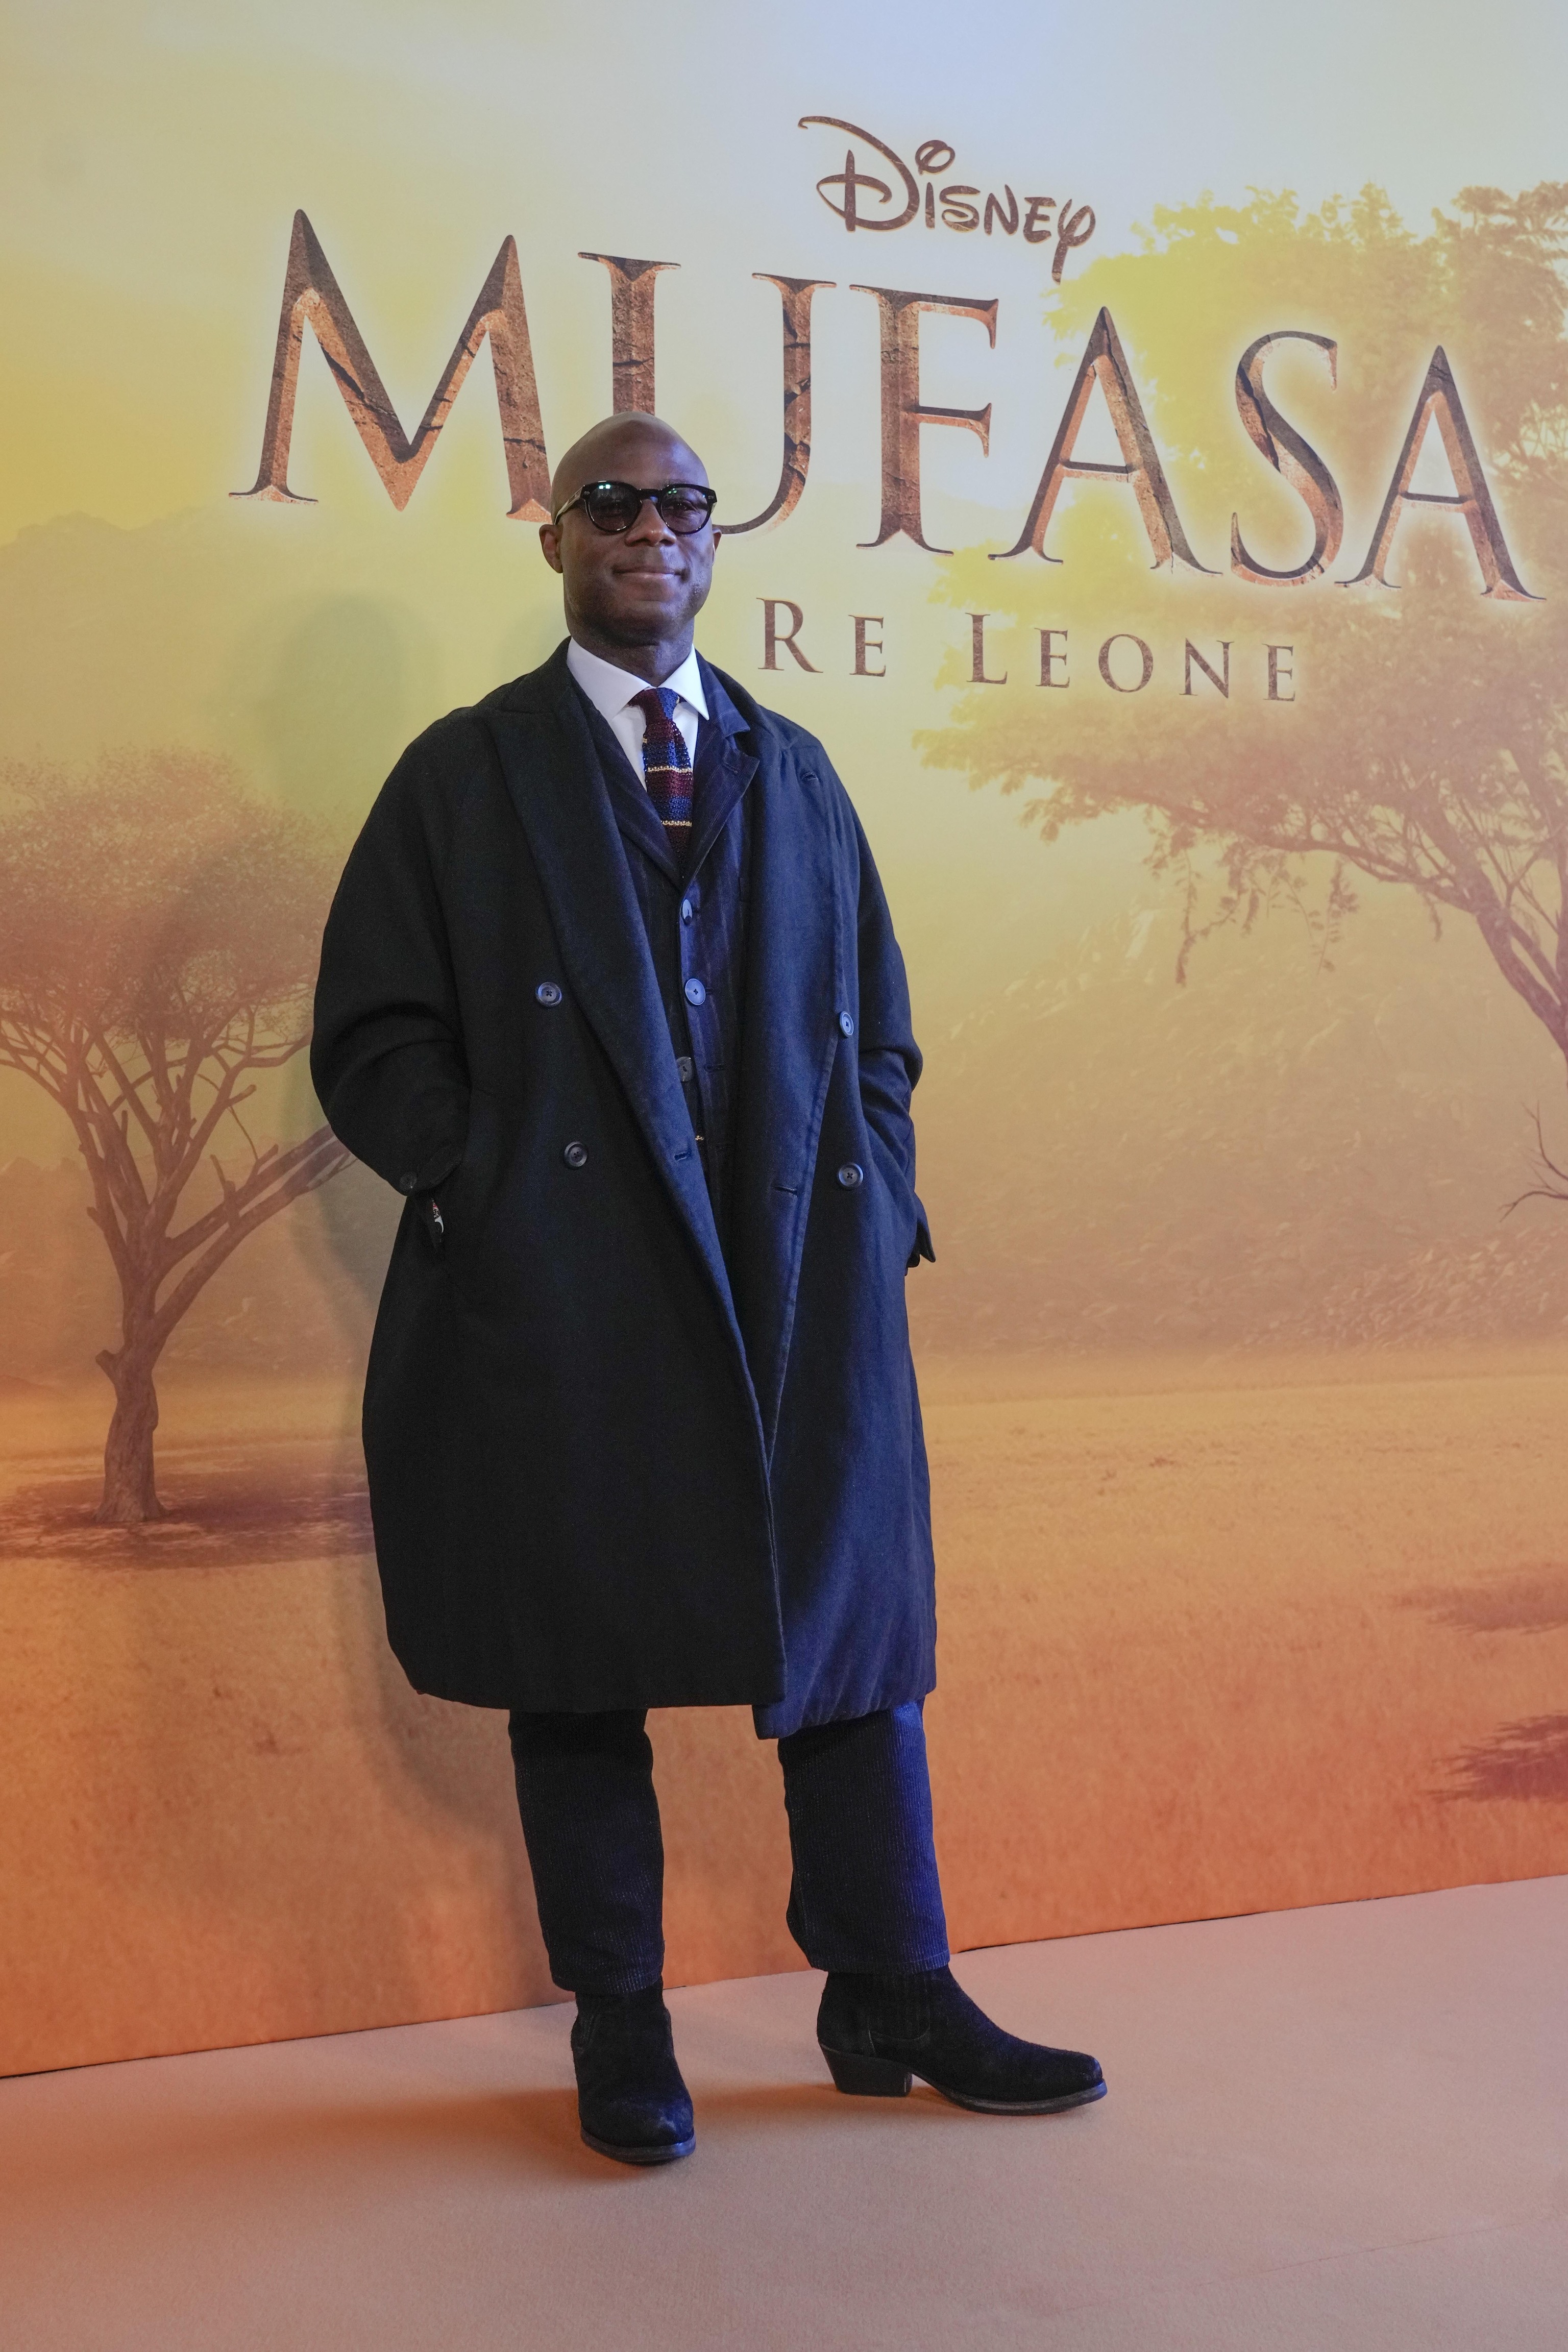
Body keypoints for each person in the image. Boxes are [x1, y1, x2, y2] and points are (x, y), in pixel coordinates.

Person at [310, 411, 1106, 2164]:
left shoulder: (794, 766)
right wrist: (495, 1186)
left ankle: (892, 1989)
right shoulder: (463, 777)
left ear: (716, 543)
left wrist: (875, 1200)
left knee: (852, 1651)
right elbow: (370, 1040)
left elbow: (878, 1031)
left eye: (683, 505)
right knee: (577, 1664)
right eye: (614, 503)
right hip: (566, 1296)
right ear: (558, 539)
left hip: (796, 1285)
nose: (649, 527)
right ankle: (620, 2020)